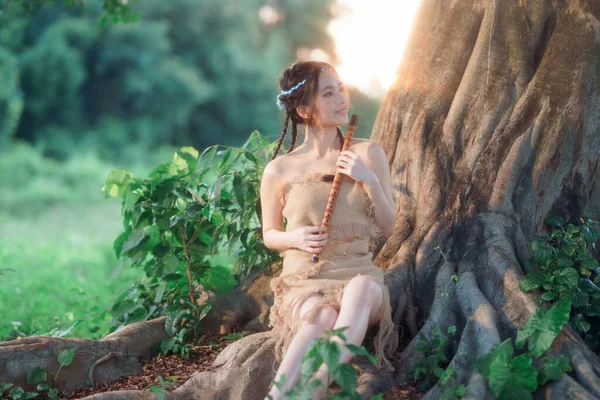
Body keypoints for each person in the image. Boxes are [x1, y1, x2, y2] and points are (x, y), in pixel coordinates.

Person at [260, 60, 398, 399]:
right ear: (305, 110)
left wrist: (368, 180)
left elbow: (389, 226)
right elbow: (270, 234)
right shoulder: (278, 169)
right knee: (321, 315)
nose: (342, 99)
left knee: (361, 288)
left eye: (341, 88)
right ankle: (277, 396)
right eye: (328, 93)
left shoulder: (368, 152)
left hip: (357, 275)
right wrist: (295, 238)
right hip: (306, 280)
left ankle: (318, 381)